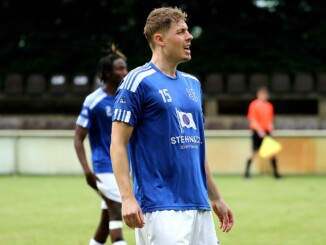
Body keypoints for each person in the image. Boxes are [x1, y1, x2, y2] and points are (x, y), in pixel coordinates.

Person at [110, 7, 234, 245]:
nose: (190, 37)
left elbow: (197, 149)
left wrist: (216, 197)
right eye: (181, 32)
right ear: (160, 39)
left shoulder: (193, 84)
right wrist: (127, 198)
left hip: (199, 204)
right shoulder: (136, 82)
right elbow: (117, 143)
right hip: (160, 207)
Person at [74, 45, 128, 245]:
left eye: (125, 68)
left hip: (122, 166)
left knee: (107, 217)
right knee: (116, 209)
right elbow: (78, 137)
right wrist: (87, 170)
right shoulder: (94, 100)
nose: (125, 72)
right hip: (103, 167)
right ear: (106, 73)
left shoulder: (128, 99)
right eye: (119, 69)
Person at [244, 86, 281, 179]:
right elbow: (252, 119)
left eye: (265, 94)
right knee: (253, 152)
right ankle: (246, 173)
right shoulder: (254, 105)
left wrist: (271, 130)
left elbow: (270, 120)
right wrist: (259, 130)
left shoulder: (269, 106)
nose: (264, 96)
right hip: (257, 132)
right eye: (262, 94)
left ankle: (276, 173)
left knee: (272, 152)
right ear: (258, 95)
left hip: (267, 132)